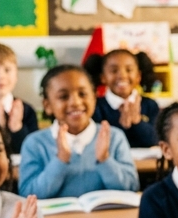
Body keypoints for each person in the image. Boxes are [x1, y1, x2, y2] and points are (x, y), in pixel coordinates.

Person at [18, 65, 138, 199]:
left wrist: (105, 160)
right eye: (63, 97)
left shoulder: (114, 137)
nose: (75, 102)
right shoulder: (35, 143)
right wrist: (60, 160)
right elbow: (28, 194)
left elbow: (132, 187)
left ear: (94, 97)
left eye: (83, 94)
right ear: (47, 105)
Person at [88, 49, 160, 147]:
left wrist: (137, 122)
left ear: (138, 76)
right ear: (103, 77)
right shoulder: (95, 106)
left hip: (146, 162)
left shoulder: (150, 105)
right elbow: (94, 141)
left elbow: (156, 139)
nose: (122, 75)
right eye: (114, 71)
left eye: (129, 70)